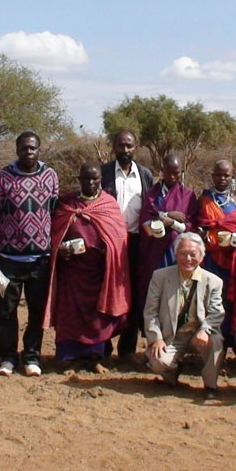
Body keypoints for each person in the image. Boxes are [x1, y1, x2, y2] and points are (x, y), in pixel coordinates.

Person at [0, 131, 59, 377]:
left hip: (40, 258)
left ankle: (32, 357)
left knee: (36, 311)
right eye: (24, 148)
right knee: (6, 310)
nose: (29, 152)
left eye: (33, 148)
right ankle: (7, 357)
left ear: (40, 150)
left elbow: (56, 213)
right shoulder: (2, 178)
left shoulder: (50, 177)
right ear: (17, 150)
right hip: (7, 258)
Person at [46, 162, 131, 373]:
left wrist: (108, 252)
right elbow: (54, 235)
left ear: (101, 180)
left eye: (94, 179)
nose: (90, 183)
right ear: (79, 180)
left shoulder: (108, 204)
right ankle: (67, 357)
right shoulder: (67, 204)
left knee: (97, 316)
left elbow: (119, 238)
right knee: (70, 315)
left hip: (99, 271)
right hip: (72, 271)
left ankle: (95, 357)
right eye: (86, 179)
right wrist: (60, 250)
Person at [133, 154, 198, 364]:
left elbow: (191, 225)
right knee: (154, 299)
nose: (172, 176)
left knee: (176, 300)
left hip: (176, 255)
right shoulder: (152, 193)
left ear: (181, 172)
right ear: (162, 170)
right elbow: (145, 218)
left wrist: (174, 224)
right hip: (153, 256)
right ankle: (153, 345)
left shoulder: (188, 195)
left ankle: (174, 348)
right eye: (168, 171)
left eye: (176, 172)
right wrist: (166, 216)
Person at [144, 232, 225, 400]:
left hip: (199, 333)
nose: (187, 259)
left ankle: (210, 385)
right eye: (182, 253)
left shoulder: (214, 281)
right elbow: (150, 312)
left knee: (216, 342)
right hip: (173, 335)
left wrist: (205, 331)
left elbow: (216, 313)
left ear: (201, 256)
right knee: (158, 361)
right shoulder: (160, 277)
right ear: (175, 254)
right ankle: (173, 370)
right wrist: (156, 338)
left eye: (193, 254)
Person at [99, 130, 154, 364]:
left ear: (136, 147)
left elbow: (150, 208)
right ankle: (103, 348)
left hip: (136, 242)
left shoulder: (145, 175)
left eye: (129, 146)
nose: (125, 150)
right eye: (121, 146)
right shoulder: (102, 174)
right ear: (114, 147)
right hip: (108, 243)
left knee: (132, 294)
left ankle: (128, 348)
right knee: (105, 294)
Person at [194, 159, 236, 349]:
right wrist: (203, 234)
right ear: (212, 176)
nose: (222, 178)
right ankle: (211, 342)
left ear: (232, 176)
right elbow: (197, 226)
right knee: (211, 298)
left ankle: (229, 340)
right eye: (218, 174)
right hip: (211, 259)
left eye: (226, 175)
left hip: (233, 260)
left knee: (229, 298)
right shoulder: (204, 200)